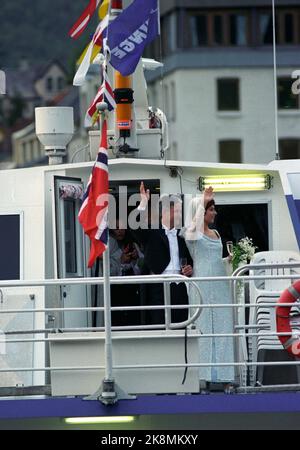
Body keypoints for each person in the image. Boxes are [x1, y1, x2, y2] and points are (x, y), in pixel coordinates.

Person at [182, 187, 235, 391]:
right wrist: (202, 201)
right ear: (201, 212)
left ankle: (225, 376)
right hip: (202, 285)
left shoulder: (217, 233)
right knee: (203, 329)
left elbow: (215, 261)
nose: (215, 212)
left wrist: (228, 260)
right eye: (211, 209)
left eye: (213, 209)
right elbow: (193, 231)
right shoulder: (192, 233)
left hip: (219, 286)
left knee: (222, 328)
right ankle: (203, 377)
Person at [131, 182, 193, 326]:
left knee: (181, 325)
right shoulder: (152, 232)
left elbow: (188, 258)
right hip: (158, 287)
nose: (179, 214)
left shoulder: (181, 234)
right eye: (176, 211)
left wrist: (190, 268)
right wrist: (143, 203)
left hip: (179, 287)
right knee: (159, 325)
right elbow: (135, 228)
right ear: (165, 211)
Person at [109, 220, 144, 327]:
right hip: (113, 289)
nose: (120, 231)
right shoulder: (107, 245)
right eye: (116, 228)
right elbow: (107, 271)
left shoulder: (133, 244)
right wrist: (121, 262)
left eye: (122, 227)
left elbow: (143, 266)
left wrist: (136, 258)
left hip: (132, 288)